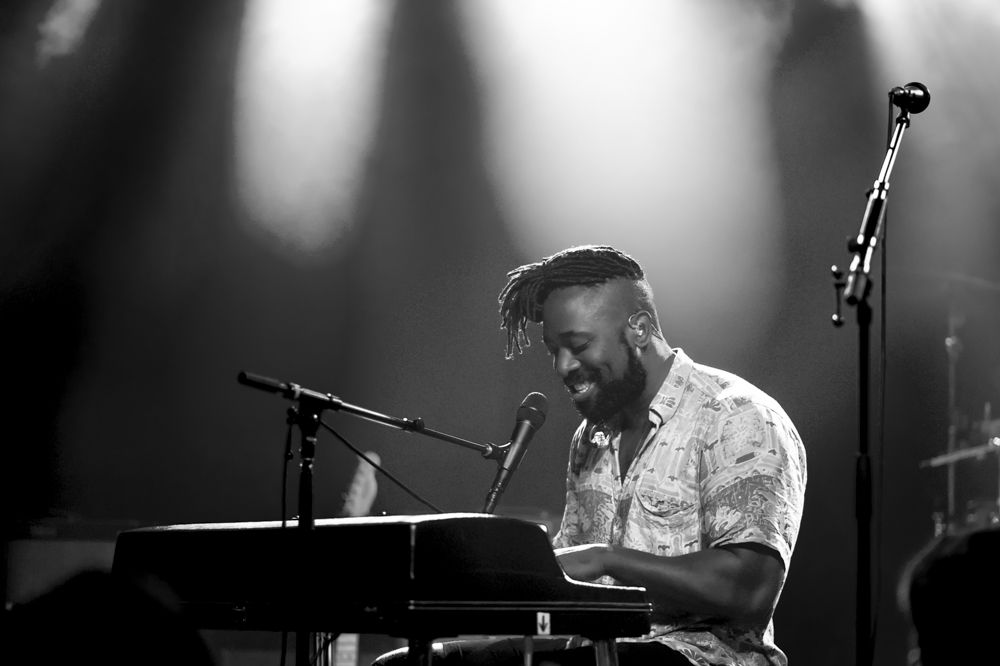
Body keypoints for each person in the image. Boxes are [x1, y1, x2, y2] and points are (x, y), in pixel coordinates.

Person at [376, 245, 806, 666]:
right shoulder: (592, 437)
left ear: (638, 330)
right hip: (594, 650)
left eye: (578, 345)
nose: (562, 366)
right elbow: (570, 579)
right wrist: (482, 566)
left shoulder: (737, 417)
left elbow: (748, 592)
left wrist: (607, 557)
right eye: (553, 350)